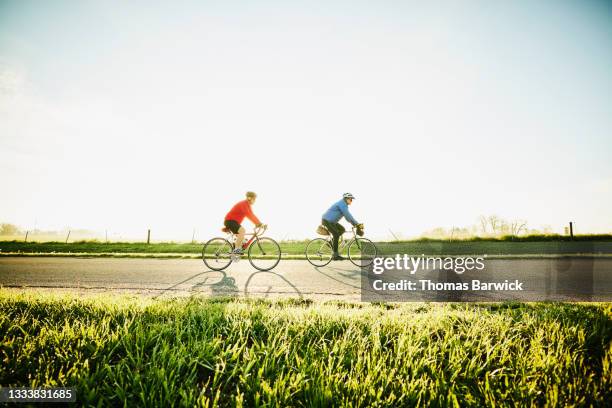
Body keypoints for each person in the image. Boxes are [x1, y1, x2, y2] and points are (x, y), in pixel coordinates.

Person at [321, 193, 363, 260]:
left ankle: (330, 243)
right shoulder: (342, 204)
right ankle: (335, 255)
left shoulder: (344, 205)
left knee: (342, 229)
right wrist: (356, 224)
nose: (351, 200)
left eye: (352, 199)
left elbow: (347, 217)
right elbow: (348, 216)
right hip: (327, 220)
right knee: (336, 234)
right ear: (346, 199)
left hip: (332, 222)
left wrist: (355, 224)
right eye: (351, 199)